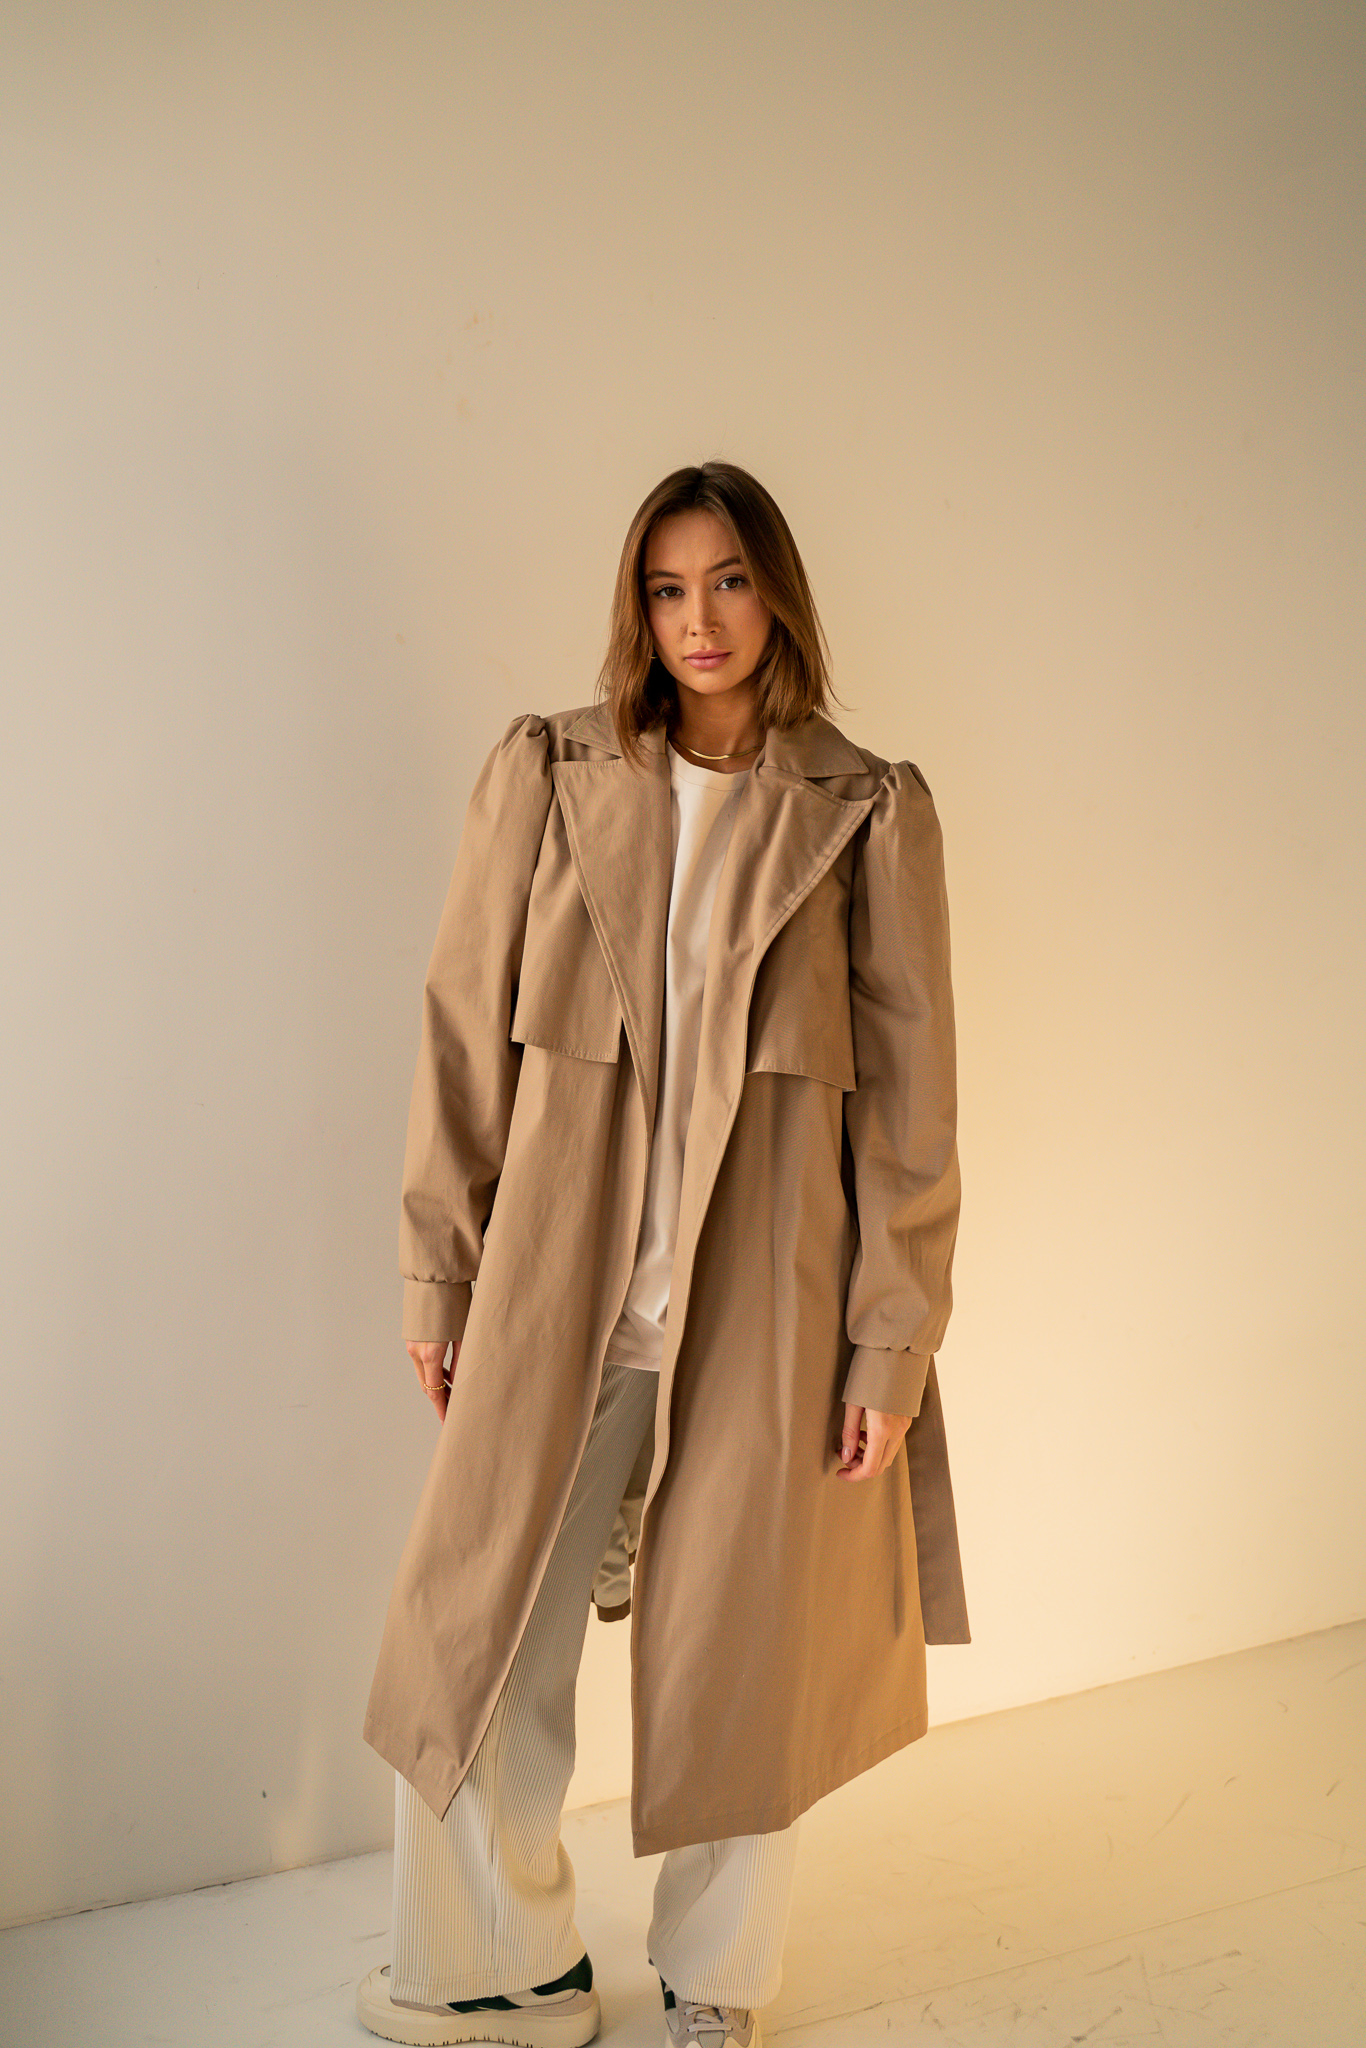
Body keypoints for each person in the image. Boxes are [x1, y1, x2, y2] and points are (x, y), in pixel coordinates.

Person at [357, 461, 967, 2048]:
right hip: (558, 1297)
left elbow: (912, 1112)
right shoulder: (548, 772)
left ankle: (714, 1984)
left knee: (738, 1661)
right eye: (666, 587)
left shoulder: (866, 809)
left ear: (779, 596)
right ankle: (503, 1967)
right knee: (473, 1632)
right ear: (637, 605)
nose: (700, 619)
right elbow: (460, 1036)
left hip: (764, 1311)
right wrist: (440, 1271)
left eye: (730, 581)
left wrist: (887, 1344)